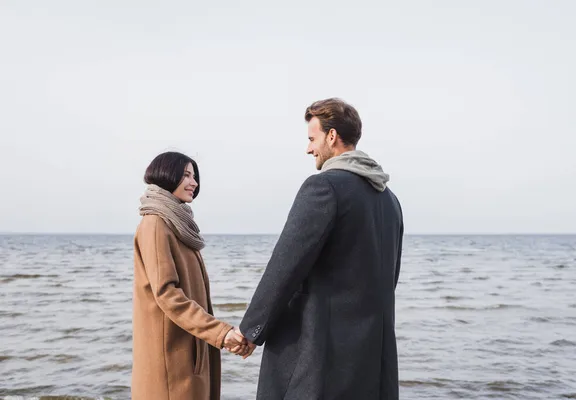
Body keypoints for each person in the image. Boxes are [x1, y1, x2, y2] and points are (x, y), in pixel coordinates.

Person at [238, 98, 404, 399]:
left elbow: (285, 266)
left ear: (332, 136)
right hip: (368, 358)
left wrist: (250, 330)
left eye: (312, 139)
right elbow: (388, 279)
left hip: (319, 356)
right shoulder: (390, 201)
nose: (308, 149)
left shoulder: (324, 187)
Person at [131, 151, 249, 400]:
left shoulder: (176, 224)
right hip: (172, 362)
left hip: (189, 352)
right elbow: (167, 294)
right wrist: (222, 333)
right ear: (166, 174)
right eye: (186, 175)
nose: (194, 182)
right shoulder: (155, 224)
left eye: (194, 176)